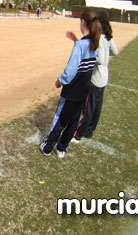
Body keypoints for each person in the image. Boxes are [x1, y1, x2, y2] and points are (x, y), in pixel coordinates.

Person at [40, 8, 102, 159]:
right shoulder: (94, 43)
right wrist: (76, 41)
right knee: (73, 121)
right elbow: (85, 60)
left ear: (83, 22)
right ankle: (62, 148)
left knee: (61, 119)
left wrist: (60, 80)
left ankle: (48, 147)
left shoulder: (80, 45)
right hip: (83, 91)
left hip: (71, 92)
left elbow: (70, 71)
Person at [71, 10, 119, 143]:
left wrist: (90, 56)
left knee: (88, 108)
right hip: (104, 77)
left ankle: (77, 135)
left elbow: (101, 59)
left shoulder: (99, 38)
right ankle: (89, 132)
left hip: (95, 78)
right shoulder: (108, 37)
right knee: (97, 107)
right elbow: (115, 52)